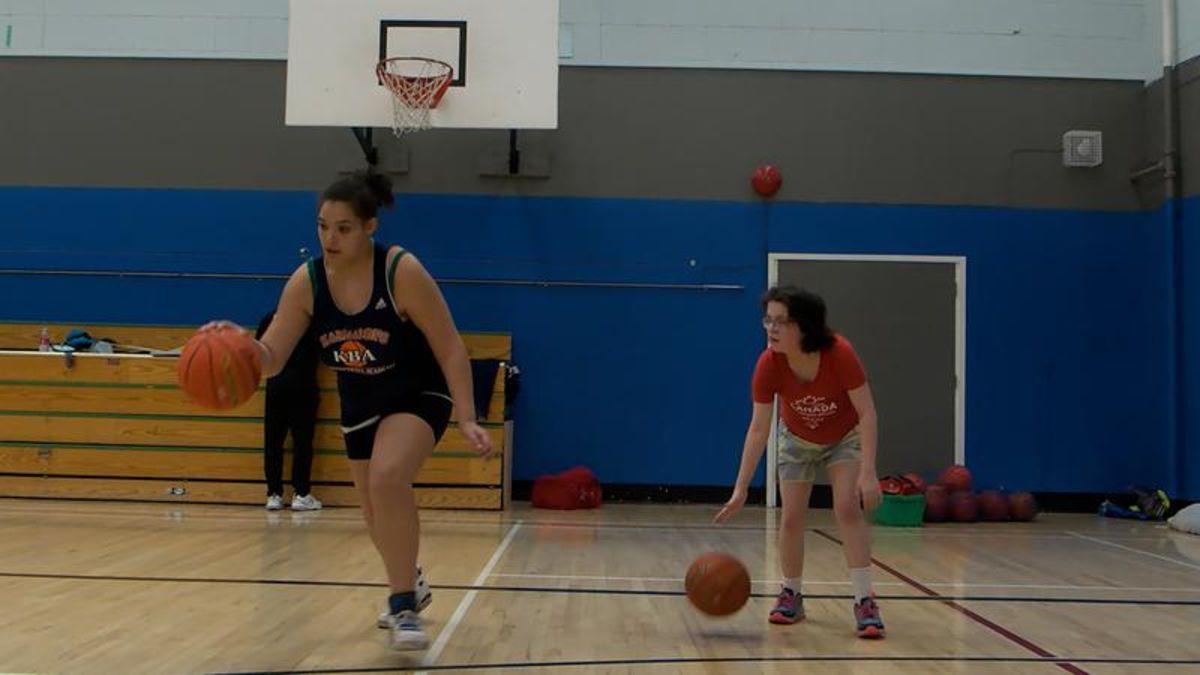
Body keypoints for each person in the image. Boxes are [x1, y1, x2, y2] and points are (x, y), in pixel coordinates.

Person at [201, 170, 492, 651]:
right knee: (375, 512)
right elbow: (272, 359)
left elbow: (450, 347)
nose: (329, 238)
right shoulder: (308, 282)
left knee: (387, 476)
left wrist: (466, 416)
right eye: (322, 226)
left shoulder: (401, 271)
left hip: (418, 392)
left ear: (370, 227)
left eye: (343, 228)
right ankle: (410, 581)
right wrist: (237, 345)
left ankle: (402, 607)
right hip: (361, 400)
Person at [714, 285, 885, 639]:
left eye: (781, 322)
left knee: (846, 509)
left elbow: (867, 412)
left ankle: (864, 600)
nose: (771, 329)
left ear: (805, 326)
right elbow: (758, 428)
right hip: (795, 440)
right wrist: (741, 487)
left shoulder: (840, 353)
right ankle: (791, 593)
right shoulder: (768, 363)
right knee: (791, 517)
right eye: (768, 320)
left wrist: (868, 473)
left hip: (843, 438)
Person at [255, 310, 321, 511]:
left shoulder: (269, 318)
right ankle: (301, 493)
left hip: (276, 386)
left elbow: (259, 350)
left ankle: (273, 493)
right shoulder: (315, 320)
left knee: (273, 442)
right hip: (304, 385)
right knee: (302, 443)